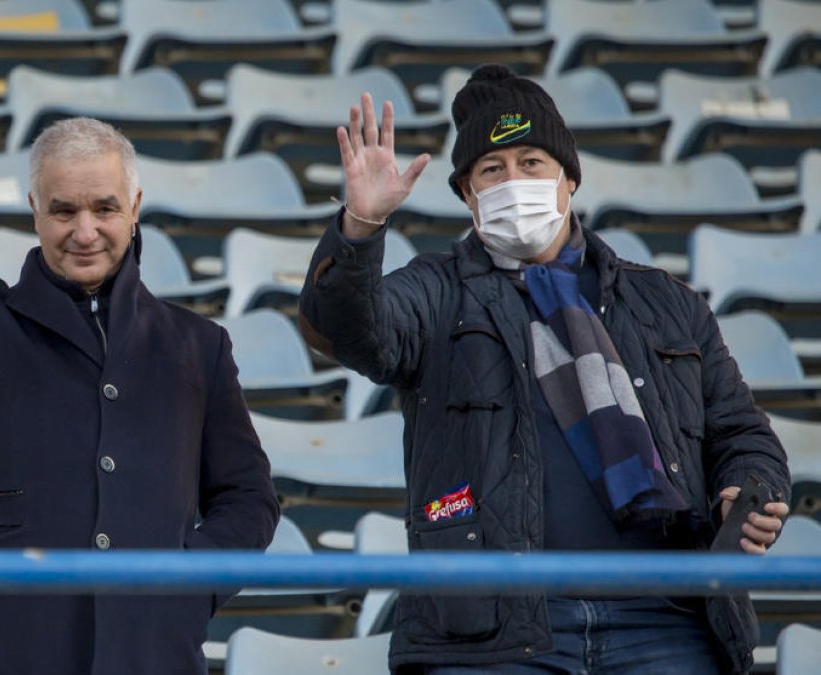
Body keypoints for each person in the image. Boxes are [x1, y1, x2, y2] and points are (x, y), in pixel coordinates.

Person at [298, 64, 791, 674]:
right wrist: (361, 228)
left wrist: (747, 489)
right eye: (491, 170)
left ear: (568, 178)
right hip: (498, 633)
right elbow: (348, 329)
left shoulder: (665, 302)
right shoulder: (435, 292)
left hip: (668, 618)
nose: (514, 182)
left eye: (531, 162)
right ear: (467, 196)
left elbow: (742, 434)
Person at [0, 77, 279, 675]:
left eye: (104, 208)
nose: (85, 231)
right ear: (34, 212)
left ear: (134, 208)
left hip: (149, 652)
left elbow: (248, 496)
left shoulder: (197, 345)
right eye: (63, 211)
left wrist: (186, 586)